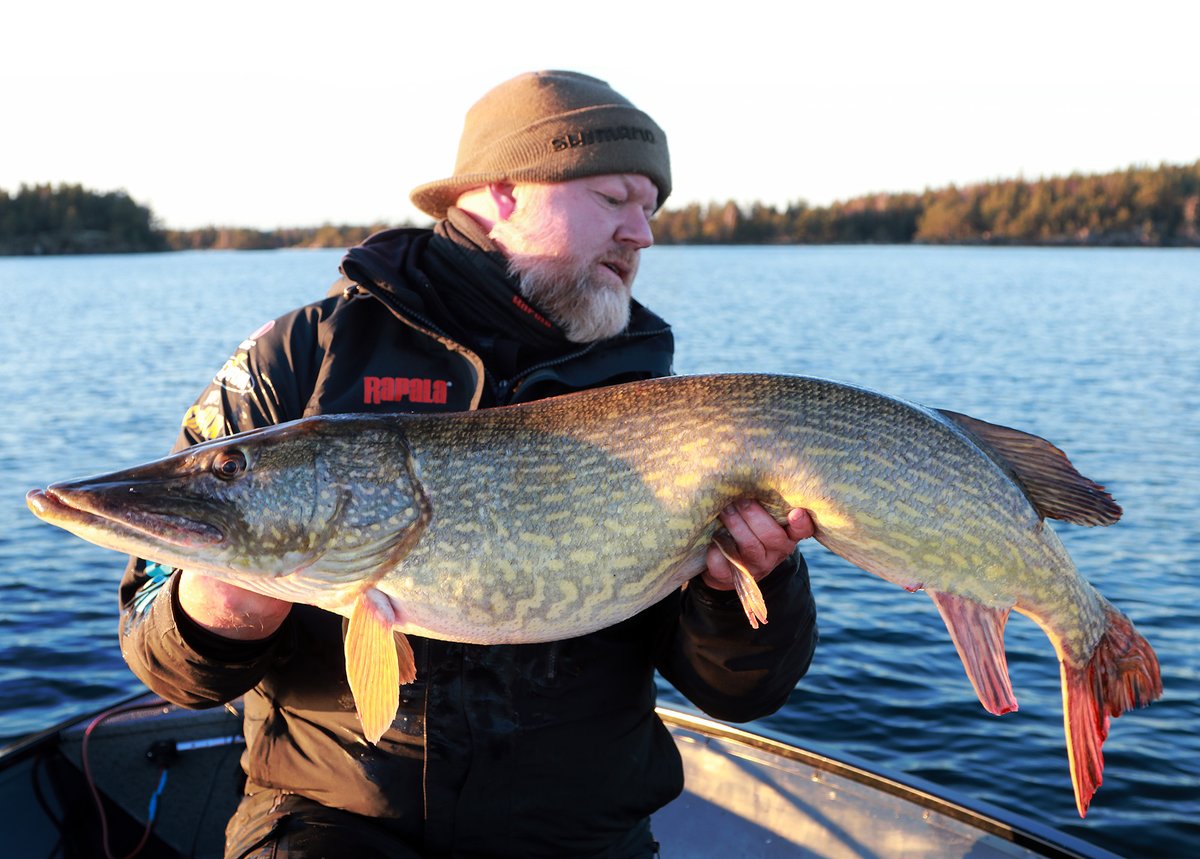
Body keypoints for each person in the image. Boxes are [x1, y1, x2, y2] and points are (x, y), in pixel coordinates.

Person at [118, 70, 819, 859]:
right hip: (330, 823)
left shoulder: (657, 408)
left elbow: (745, 689)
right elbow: (163, 658)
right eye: (614, 198)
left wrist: (745, 588)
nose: (642, 234)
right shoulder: (302, 359)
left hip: (580, 837)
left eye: (650, 209)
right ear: (502, 189)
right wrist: (218, 608)